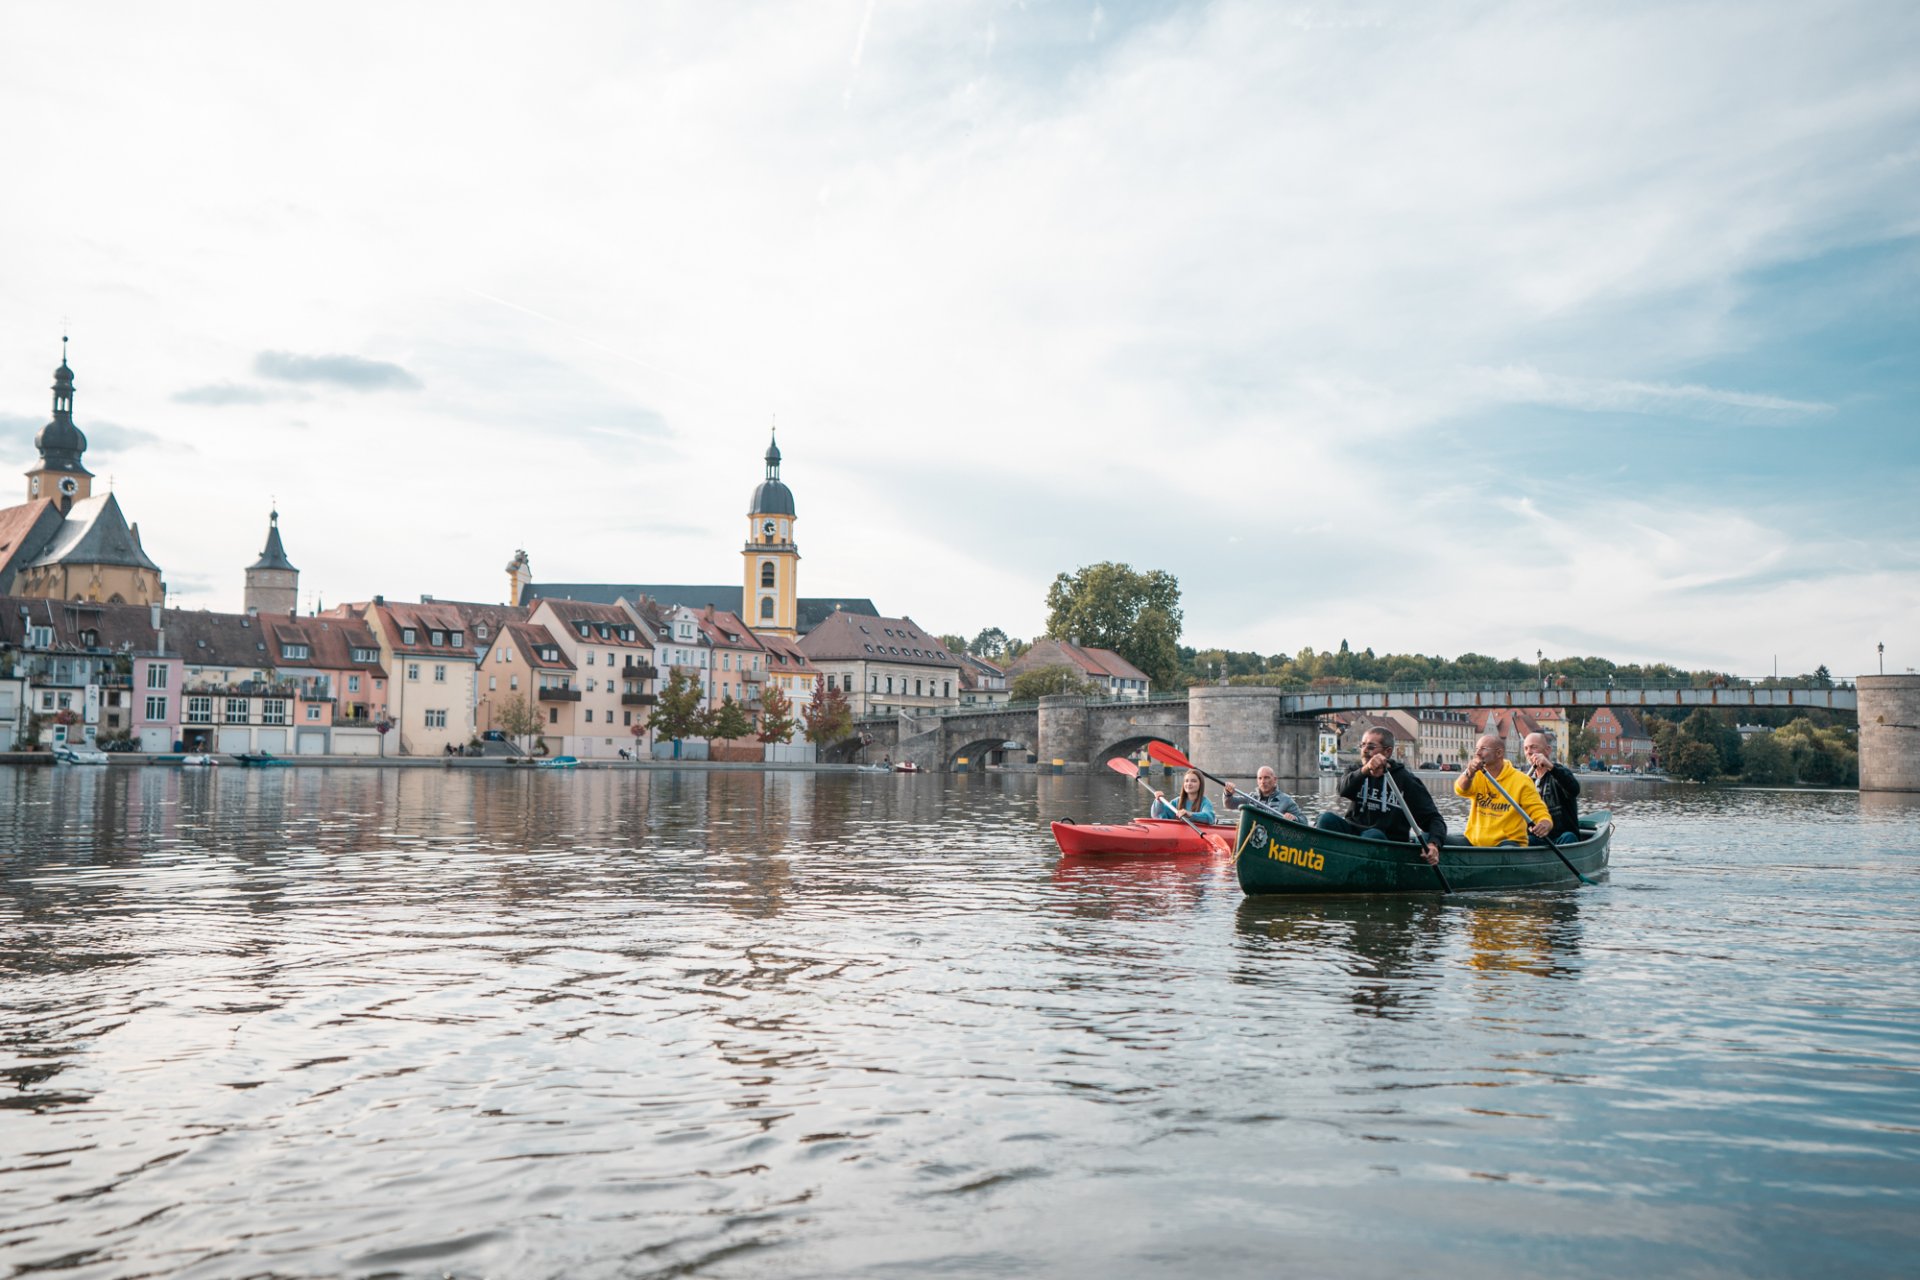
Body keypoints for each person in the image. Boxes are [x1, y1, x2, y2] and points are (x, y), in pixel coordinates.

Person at [1315, 726, 1445, 863]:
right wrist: (1365, 770)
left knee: (1373, 834)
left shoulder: (1406, 780)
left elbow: (1434, 819)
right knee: (1326, 819)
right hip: (1354, 832)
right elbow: (1342, 790)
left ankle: (1355, 867)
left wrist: (1433, 844)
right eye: (1362, 745)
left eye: (1371, 747)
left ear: (1387, 752)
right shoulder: (1356, 770)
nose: (1365, 750)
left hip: (1387, 843)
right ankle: (1324, 862)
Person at [1453, 734, 1552, 846]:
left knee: (1507, 849)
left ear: (1499, 753)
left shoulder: (1521, 780)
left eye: (1483, 749)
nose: (1478, 753)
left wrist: (1544, 823)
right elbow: (1460, 790)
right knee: (1439, 841)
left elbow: (1537, 810)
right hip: (1474, 842)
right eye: (1477, 749)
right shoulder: (1476, 775)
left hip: (1507, 842)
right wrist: (1469, 773)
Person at [1523, 732, 1582, 843]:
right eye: (1526, 748)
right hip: (1538, 838)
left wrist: (1550, 767)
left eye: (1533, 747)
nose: (1529, 752)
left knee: (1569, 837)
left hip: (1562, 837)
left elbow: (1574, 789)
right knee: (1524, 840)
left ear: (1547, 750)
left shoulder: (1559, 772)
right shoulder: (1526, 779)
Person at [1223, 766, 1305, 822]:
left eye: (1266, 777)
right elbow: (1229, 804)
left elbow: (1304, 821)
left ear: (1275, 779)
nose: (1263, 781)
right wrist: (1228, 793)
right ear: (1257, 781)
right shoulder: (1250, 798)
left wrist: (1294, 818)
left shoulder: (1286, 800)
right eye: (1260, 778)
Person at [1152, 769, 1216, 822]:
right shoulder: (1176, 802)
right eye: (1186, 781)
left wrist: (1190, 814)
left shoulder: (1205, 802)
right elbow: (1158, 816)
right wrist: (1158, 801)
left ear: (1200, 784)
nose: (1189, 784)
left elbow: (1209, 817)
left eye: (1193, 781)